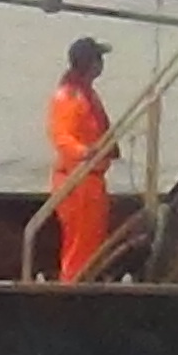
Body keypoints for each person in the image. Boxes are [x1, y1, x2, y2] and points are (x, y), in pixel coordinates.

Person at [46, 36, 114, 281]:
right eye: (99, 59)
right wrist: (85, 153)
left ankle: (85, 283)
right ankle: (72, 290)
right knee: (79, 246)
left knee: (93, 243)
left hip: (92, 179)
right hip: (76, 181)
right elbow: (60, 136)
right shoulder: (68, 96)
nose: (102, 64)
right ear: (90, 64)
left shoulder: (88, 94)